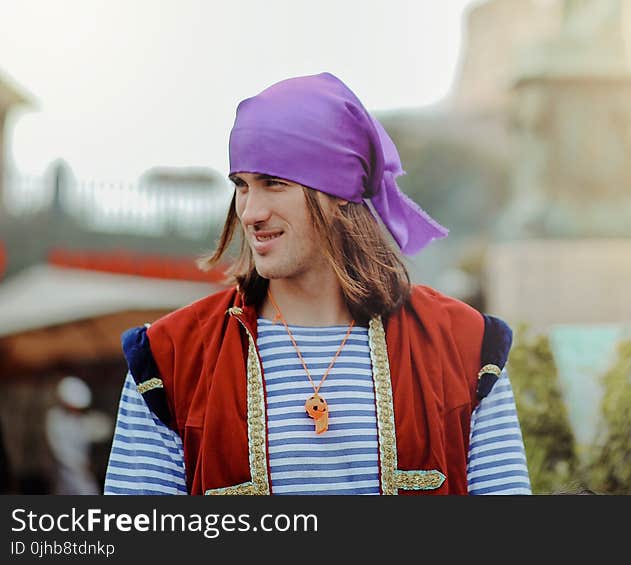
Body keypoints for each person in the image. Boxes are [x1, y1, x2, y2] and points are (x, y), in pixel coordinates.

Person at [104, 72, 531, 495]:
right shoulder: (170, 358)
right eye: (242, 186)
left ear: (340, 191)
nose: (251, 212)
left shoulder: (465, 346)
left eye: (274, 184)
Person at [46, 376, 112, 494]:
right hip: (68, 471)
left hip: (81, 471)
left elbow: (97, 430)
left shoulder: (81, 421)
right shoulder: (55, 419)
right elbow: (61, 450)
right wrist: (79, 465)